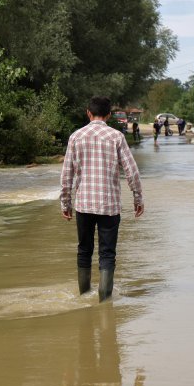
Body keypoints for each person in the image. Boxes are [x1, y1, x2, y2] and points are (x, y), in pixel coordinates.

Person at [60, 96, 144, 302]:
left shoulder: (76, 137)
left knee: (84, 250)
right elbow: (131, 171)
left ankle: (84, 296)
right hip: (109, 205)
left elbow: (66, 174)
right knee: (107, 254)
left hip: (84, 204)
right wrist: (137, 197)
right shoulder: (116, 137)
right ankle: (104, 302)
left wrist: (65, 202)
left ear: (88, 113)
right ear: (108, 115)